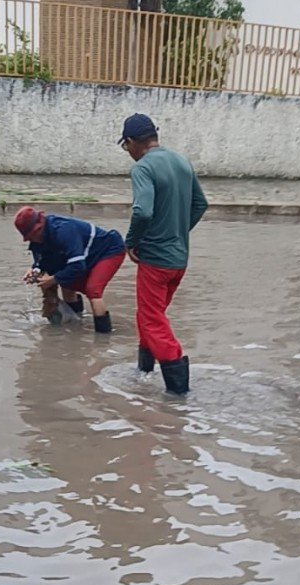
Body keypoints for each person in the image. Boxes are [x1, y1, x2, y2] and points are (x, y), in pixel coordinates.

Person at [119, 113, 208, 394]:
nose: (128, 152)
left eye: (125, 146)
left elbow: (142, 211)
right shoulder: (182, 161)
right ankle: (144, 371)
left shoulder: (143, 168)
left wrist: (131, 241)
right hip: (178, 260)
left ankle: (179, 393)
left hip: (155, 261)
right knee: (151, 315)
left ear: (133, 142)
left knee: (151, 319)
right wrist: (177, 232)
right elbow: (200, 204)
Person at [14, 206, 125, 333]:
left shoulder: (64, 230)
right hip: (85, 254)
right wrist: (35, 270)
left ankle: (103, 338)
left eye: (34, 234)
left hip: (108, 250)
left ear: (40, 226)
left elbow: (78, 266)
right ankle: (75, 325)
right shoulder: (38, 240)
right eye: (29, 238)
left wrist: (53, 279)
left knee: (93, 290)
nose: (34, 239)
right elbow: (41, 261)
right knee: (66, 283)